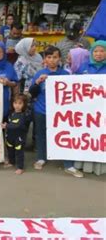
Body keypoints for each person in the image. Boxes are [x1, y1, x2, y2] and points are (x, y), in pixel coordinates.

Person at [29, 46, 84, 177]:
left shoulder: (65, 74)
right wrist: (37, 82)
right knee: (41, 135)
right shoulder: (39, 73)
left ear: (60, 59)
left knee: (65, 135)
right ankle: (41, 158)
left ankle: (68, 164)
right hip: (42, 110)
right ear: (44, 59)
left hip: (61, 112)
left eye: (55, 57)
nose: (52, 60)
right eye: (49, 57)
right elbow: (32, 93)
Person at [73, 40, 106, 176]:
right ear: (91, 53)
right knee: (86, 136)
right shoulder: (84, 67)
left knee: (101, 136)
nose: (98, 54)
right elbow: (74, 84)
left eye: (102, 51)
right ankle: (83, 164)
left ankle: (101, 166)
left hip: (103, 110)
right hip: (86, 111)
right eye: (96, 51)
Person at [2, 94, 31, 175]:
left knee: (19, 152)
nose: (17, 105)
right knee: (10, 150)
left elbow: (17, 125)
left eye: (20, 103)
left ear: (24, 104)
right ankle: (11, 162)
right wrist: (6, 123)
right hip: (10, 137)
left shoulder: (23, 115)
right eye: (15, 103)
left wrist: (6, 125)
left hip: (19, 138)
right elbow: (9, 121)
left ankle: (20, 167)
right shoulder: (11, 113)